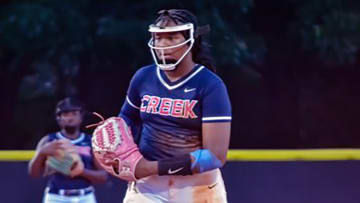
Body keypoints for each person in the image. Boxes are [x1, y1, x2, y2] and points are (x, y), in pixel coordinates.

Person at [118, 9, 232, 202]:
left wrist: (149, 167)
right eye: (158, 38)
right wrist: (116, 146)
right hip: (148, 187)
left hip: (197, 187)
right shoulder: (143, 77)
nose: (163, 44)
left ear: (191, 40)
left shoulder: (210, 85)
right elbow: (126, 119)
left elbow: (216, 156)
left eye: (171, 38)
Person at [28, 97, 108, 203]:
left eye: (74, 113)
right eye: (65, 114)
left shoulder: (91, 142)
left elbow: (103, 176)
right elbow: (34, 174)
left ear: (81, 117)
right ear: (59, 118)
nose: (70, 118)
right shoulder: (49, 141)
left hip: (85, 196)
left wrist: (80, 171)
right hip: (56, 197)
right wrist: (41, 153)